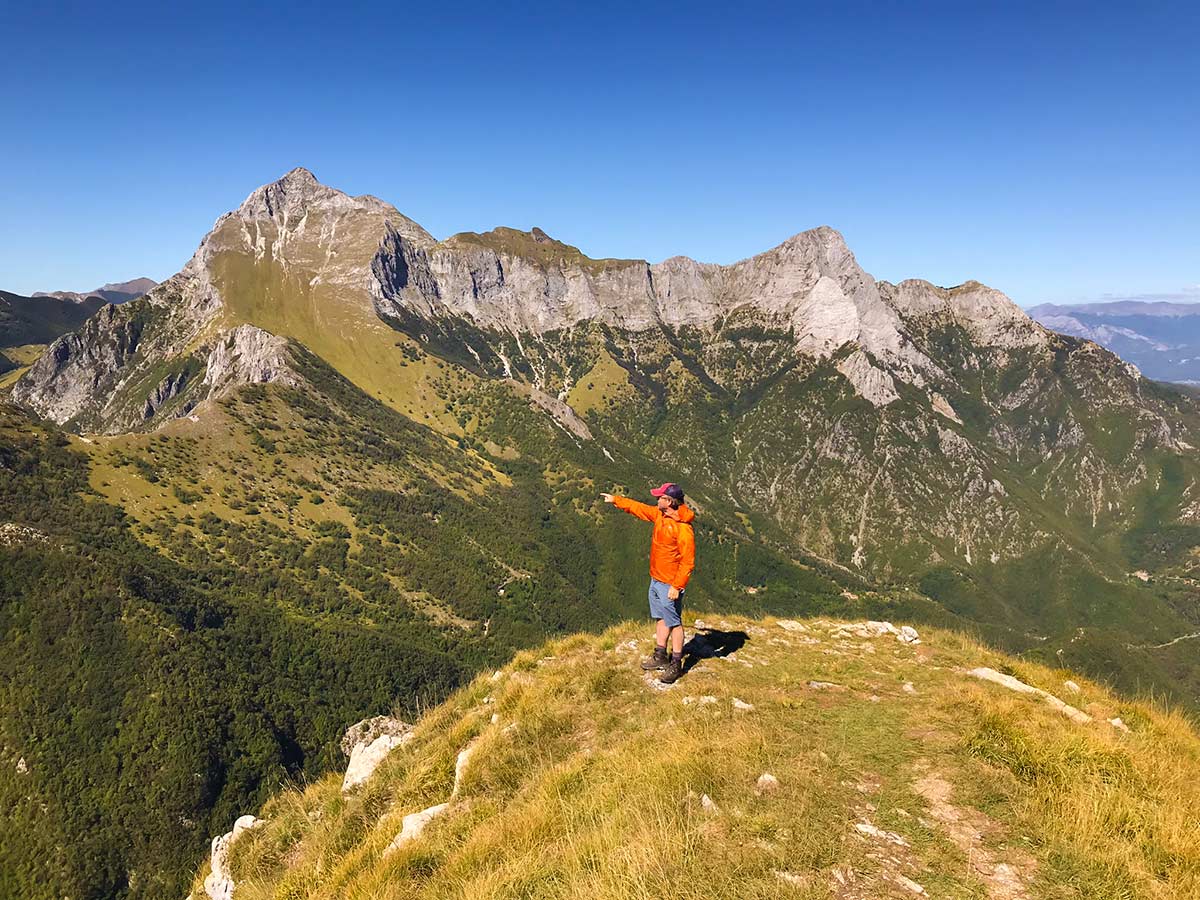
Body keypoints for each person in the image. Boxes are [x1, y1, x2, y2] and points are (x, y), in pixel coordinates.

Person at [601, 482, 696, 683]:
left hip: (669, 584)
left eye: (659, 497)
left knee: (675, 623)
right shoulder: (661, 515)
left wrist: (677, 586)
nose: (656, 499)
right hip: (656, 578)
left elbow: (688, 561)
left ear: (669, 501)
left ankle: (676, 664)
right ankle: (661, 655)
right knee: (661, 618)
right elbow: (640, 509)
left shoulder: (683, 529)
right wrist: (617, 500)